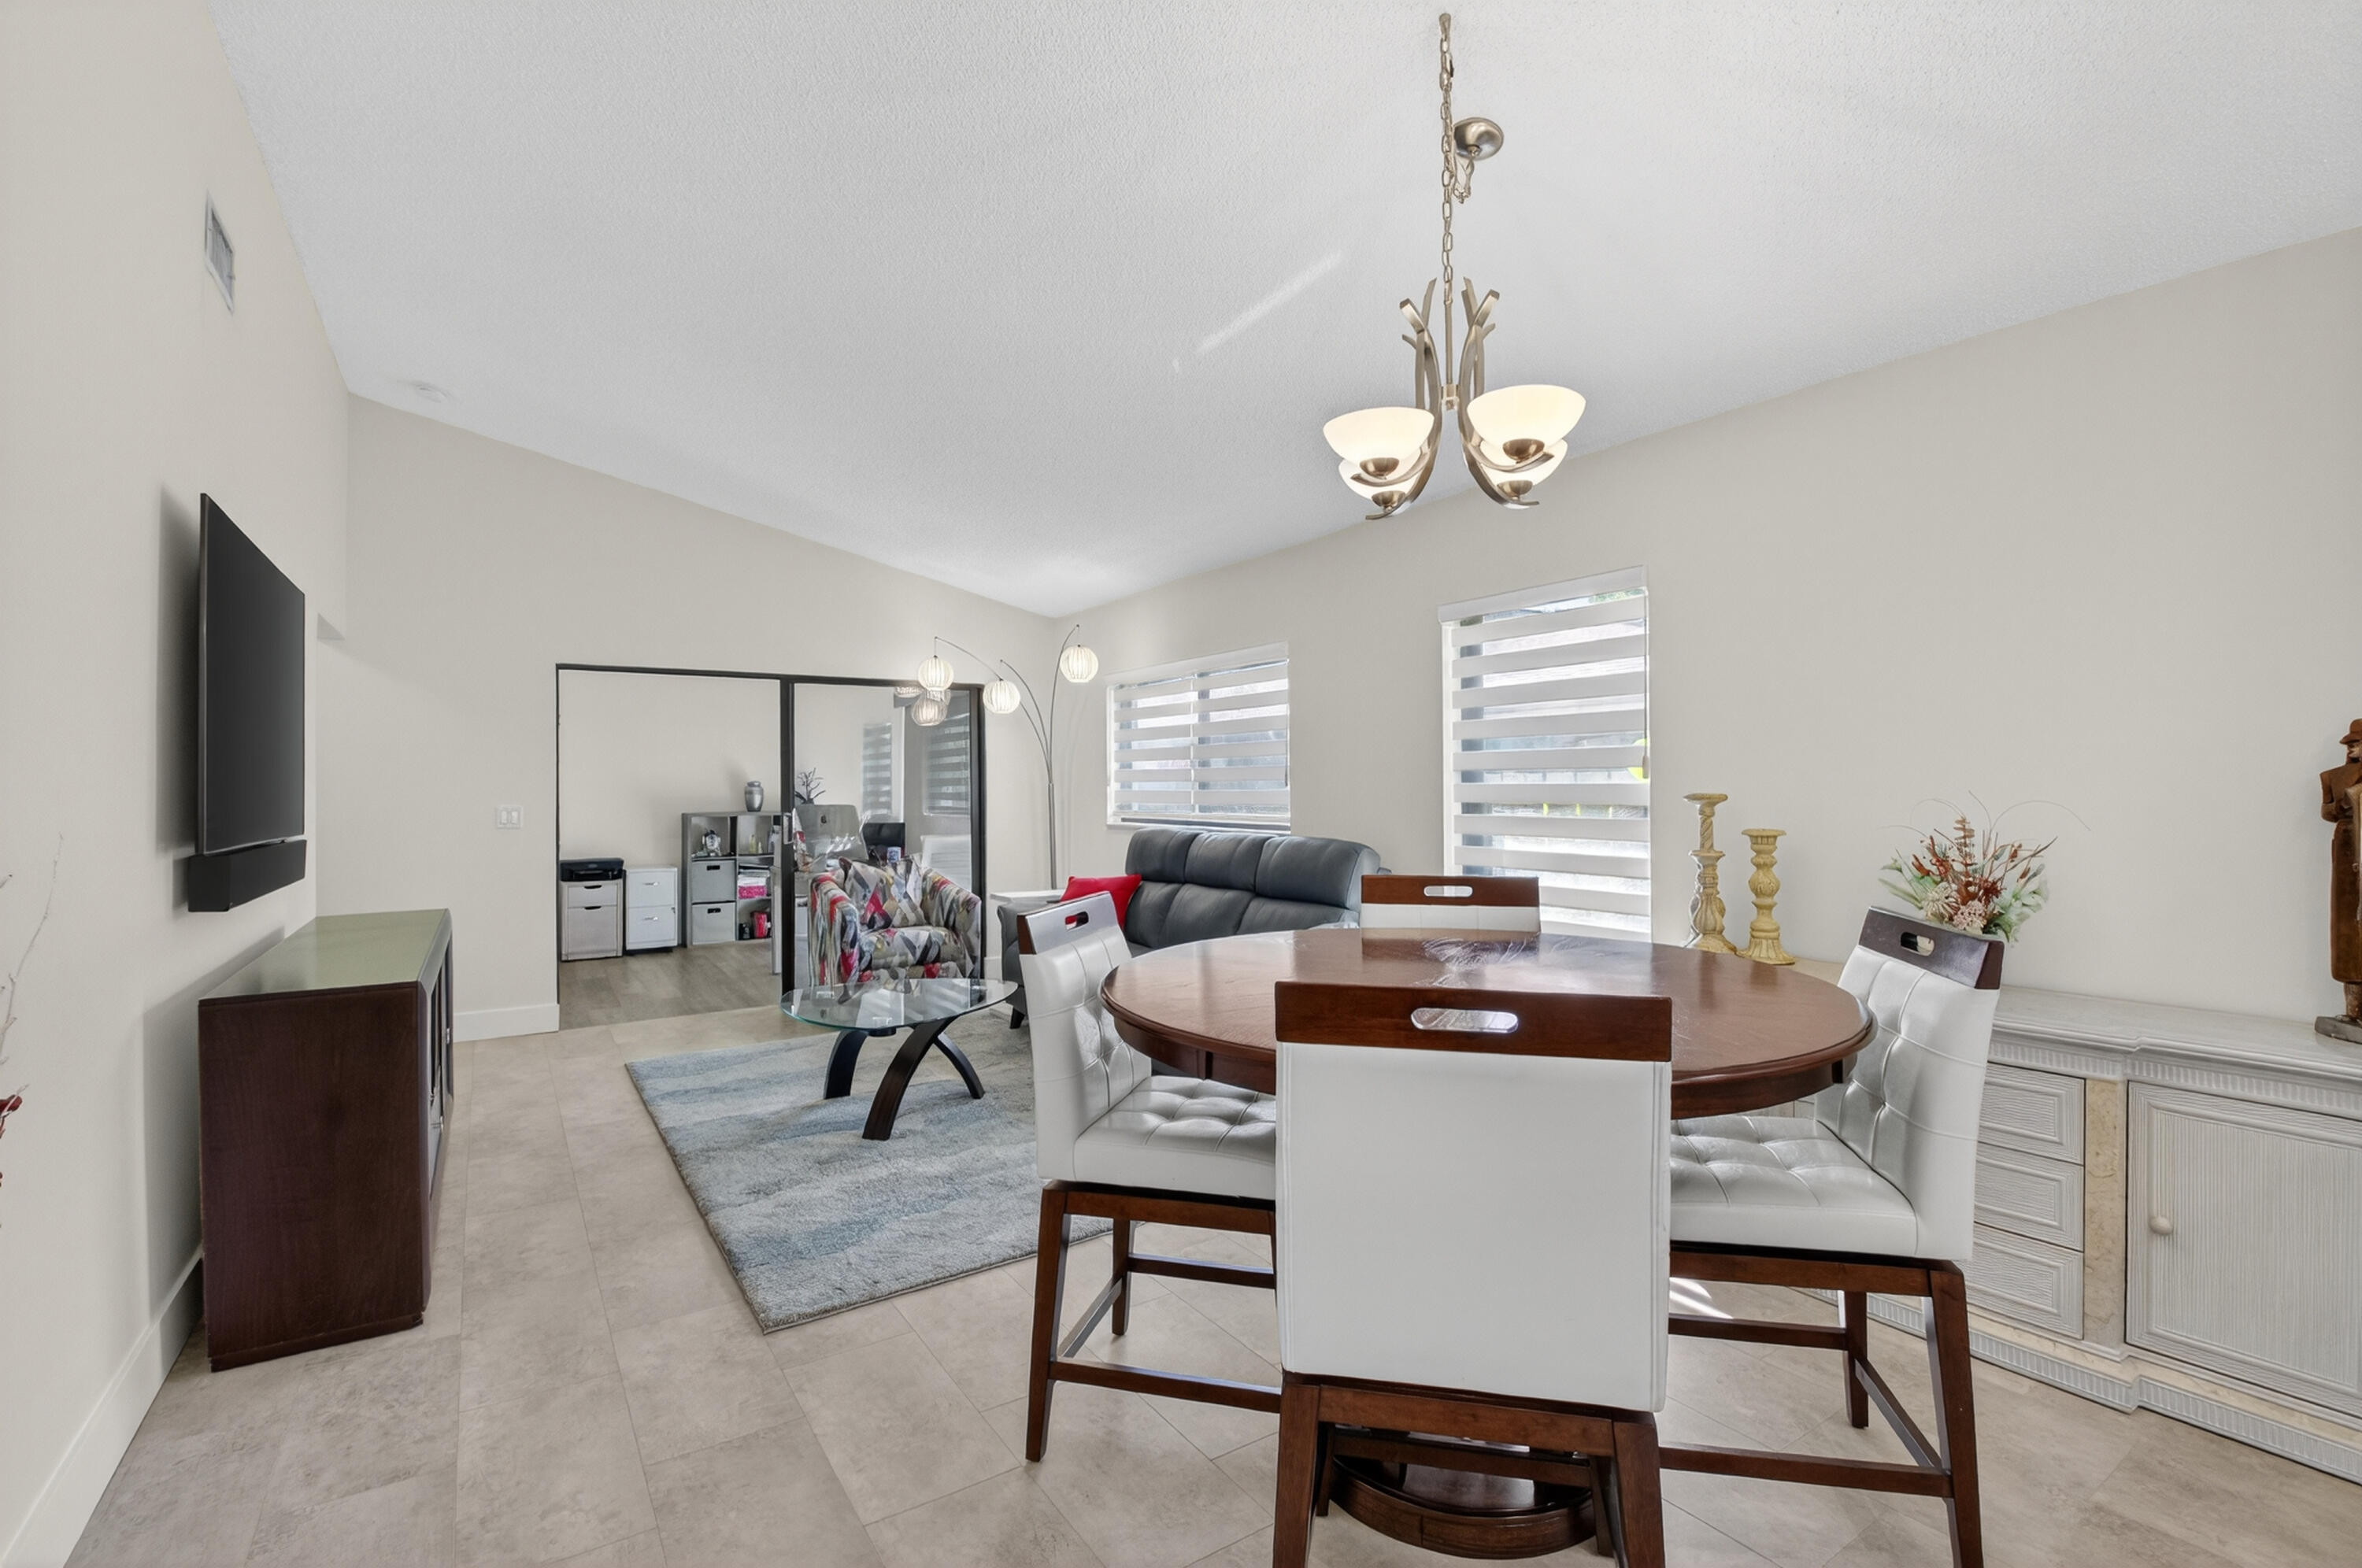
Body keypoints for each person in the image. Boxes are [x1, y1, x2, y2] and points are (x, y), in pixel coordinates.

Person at [2323, 720, 2362, 1028]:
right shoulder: (2332, 777)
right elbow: (2327, 811)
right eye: (2350, 743)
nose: (2351, 747)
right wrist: (2345, 801)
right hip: (2347, 847)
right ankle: (2354, 1011)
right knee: (2346, 927)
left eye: (2356, 742)